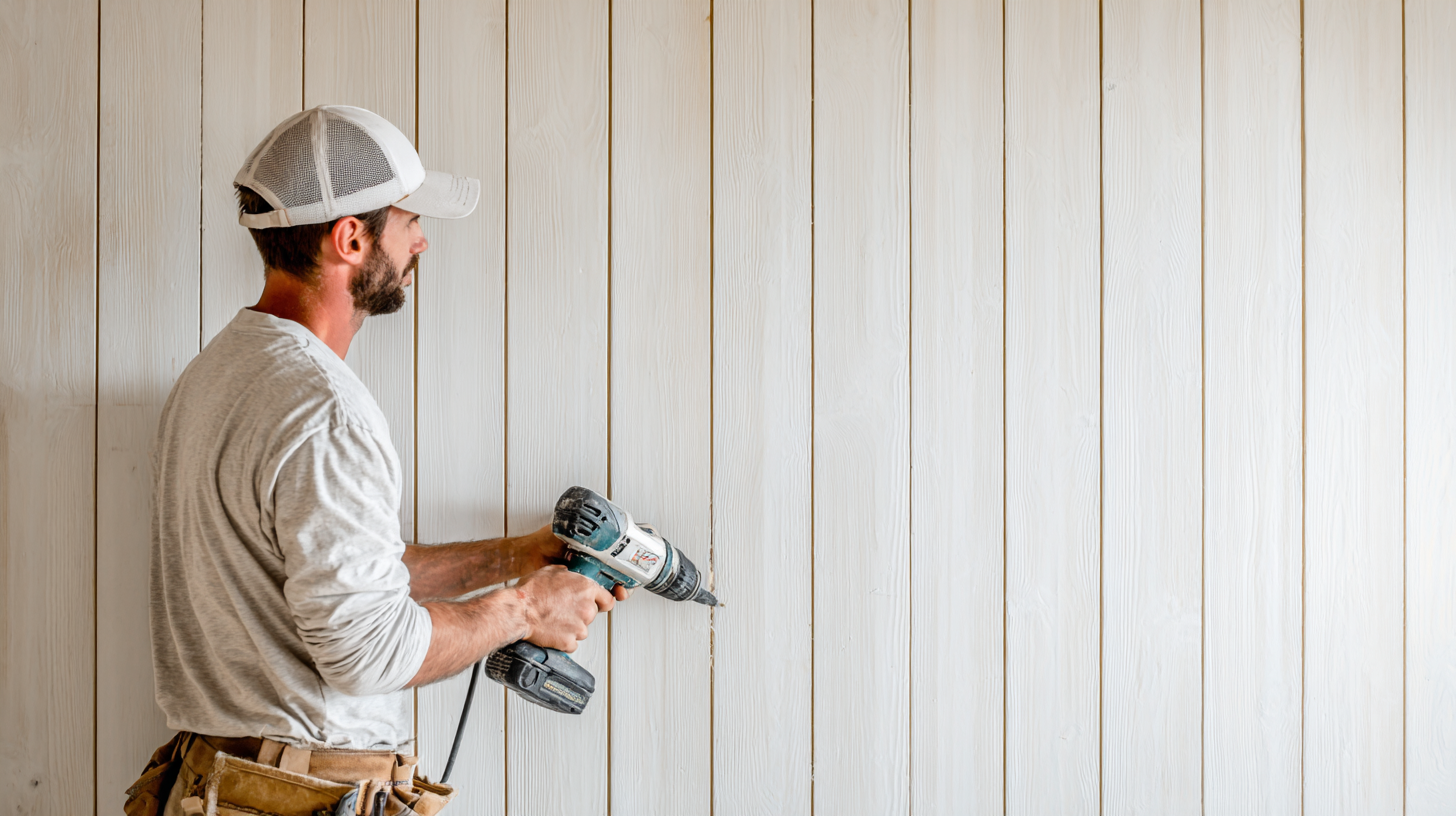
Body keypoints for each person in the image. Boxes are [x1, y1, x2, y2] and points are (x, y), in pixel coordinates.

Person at [127, 105, 624, 816]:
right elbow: (369, 652)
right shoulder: (325, 410)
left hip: (221, 782)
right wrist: (525, 608)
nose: (422, 241)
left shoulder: (218, 375)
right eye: (409, 220)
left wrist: (515, 556)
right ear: (351, 239)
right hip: (294, 794)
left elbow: (336, 572)